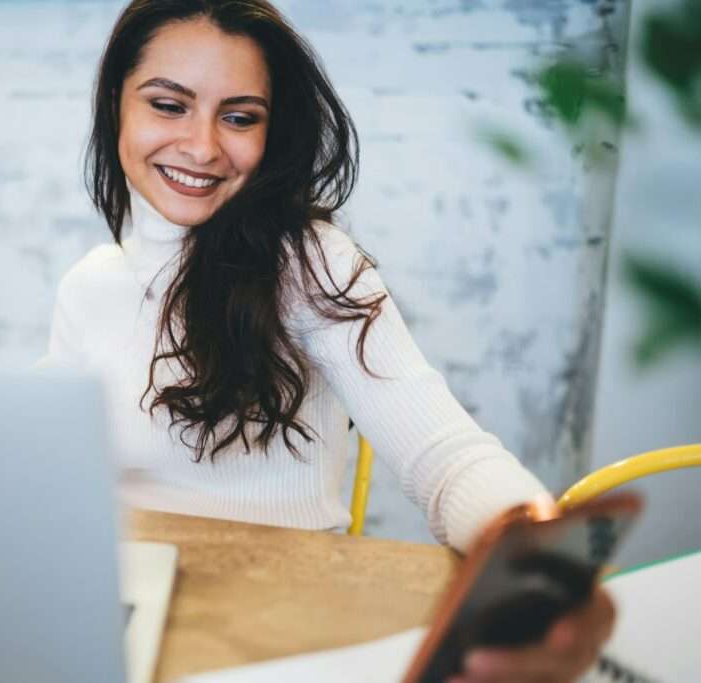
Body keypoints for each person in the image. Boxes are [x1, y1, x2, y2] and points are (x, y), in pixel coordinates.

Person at [43, 1, 615, 680]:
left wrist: (533, 555)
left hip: (283, 621)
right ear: (118, 107)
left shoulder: (313, 264)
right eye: (169, 105)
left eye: (239, 116)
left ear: (270, 129)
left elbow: (444, 454)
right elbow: (48, 477)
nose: (202, 146)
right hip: (125, 614)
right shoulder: (88, 286)